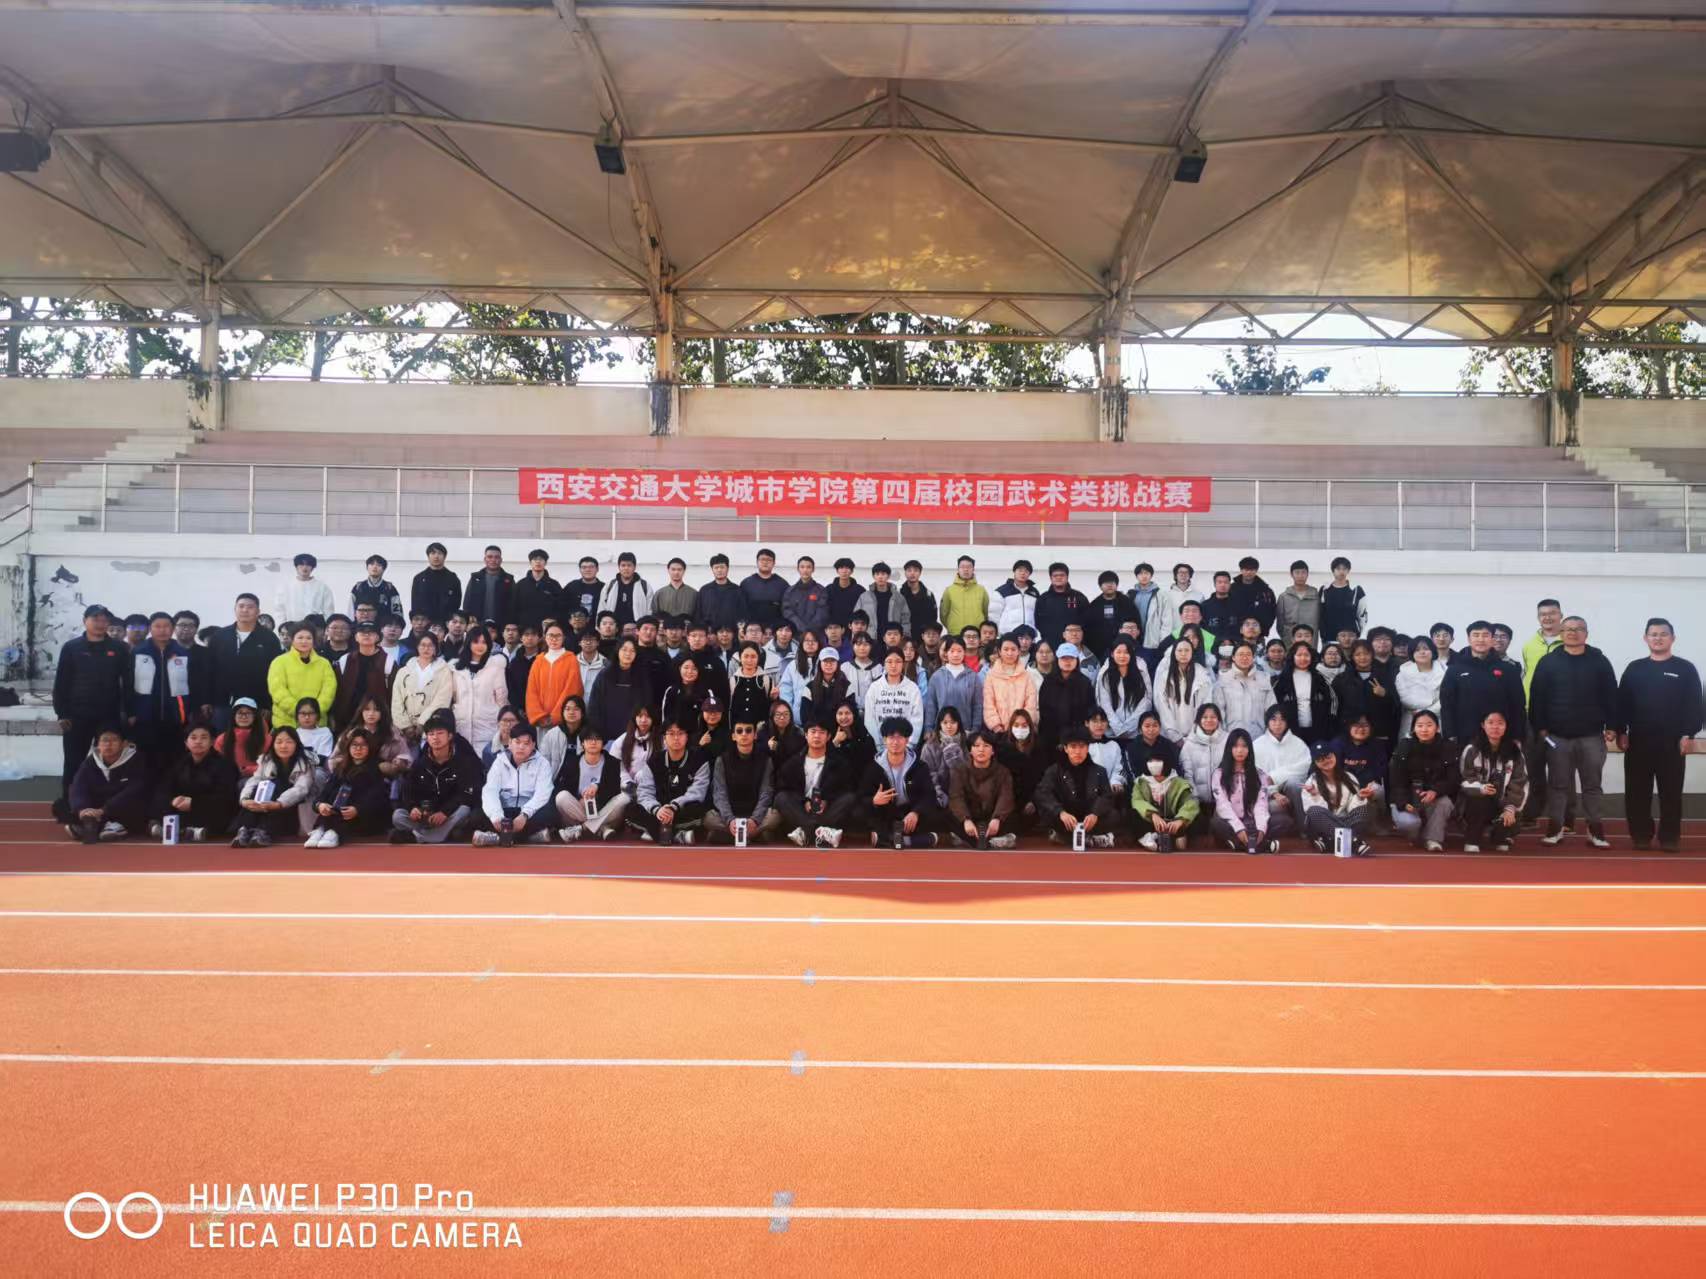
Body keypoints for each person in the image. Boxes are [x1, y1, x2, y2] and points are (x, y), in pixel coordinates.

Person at [1526, 615, 1618, 848]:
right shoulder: (1548, 662)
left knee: (1592, 786)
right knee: (1558, 786)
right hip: (1557, 737)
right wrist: (1540, 728)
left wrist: (1613, 726)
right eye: (1568, 629)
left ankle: (1595, 830)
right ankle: (1555, 828)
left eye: (1578, 629)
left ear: (1586, 634)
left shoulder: (1599, 661)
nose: (1573, 633)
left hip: (1592, 736)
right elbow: (1537, 697)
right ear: (1561, 633)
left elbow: (1611, 695)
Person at [1617, 617, 1703, 852]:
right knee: (1637, 793)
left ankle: (1669, 838)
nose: (1658, 638)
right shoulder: (1634, 668)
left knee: (1671, 793)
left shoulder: (1685, 668)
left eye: (1663, 634)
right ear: (1645, 638)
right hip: (1638, 741)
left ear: (1672, 638)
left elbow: (1695, 704)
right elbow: (1622, 703)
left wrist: (1688, 733)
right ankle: (1641, 836)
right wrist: (1621, 730)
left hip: (1672, 742)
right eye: (1653, 634)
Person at [53, 604, 133, 822]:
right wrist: (62, 714)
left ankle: (106, 808)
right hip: (77, 716)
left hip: (108, 715)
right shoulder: (72, 647)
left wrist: (129, 712)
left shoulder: (119, 648)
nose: (100, 623)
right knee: (74, 762)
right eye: (95, 619)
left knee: (110, 761)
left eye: (104, 619)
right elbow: (61, 683)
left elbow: (128, 683)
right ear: (85, 621)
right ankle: (71, 808)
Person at [391, 710, 481, 845]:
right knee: (398, 816)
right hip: (426, 815)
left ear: (450, 736)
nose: (435, 737)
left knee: (464, 810)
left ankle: (420, 837)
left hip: (448, 814)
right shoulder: (420, 763)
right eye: (431, 734)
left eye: (440, 733)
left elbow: (466, 794)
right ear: (427, 738)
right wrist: (413, 808)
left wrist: (445, 812)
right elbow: (408, 790)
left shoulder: (462, 761)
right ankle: (437, 834)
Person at [198, 592, 281, 732]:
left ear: (258, 611)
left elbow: (275, 675)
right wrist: (206, 700)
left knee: (254, 741)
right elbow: (209, 670)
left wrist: (267, 704)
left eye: (250, 607)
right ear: (235, 609)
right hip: (222, 702)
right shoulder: (220, 636)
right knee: (222, 740)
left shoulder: (269, 638)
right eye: (241, 606)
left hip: (256, 703)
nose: (245, 610)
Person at [1440, 620, 1527, 745]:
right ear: (1469, 639)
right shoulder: (1455, 669)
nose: (1481, 639)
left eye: (1485, 635)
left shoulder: (1508, 669)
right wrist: (1450, 735)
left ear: (1492, 639)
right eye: (1476, 635)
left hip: (1500, 736)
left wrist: (1517, 736)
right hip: (1465, 735)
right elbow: (1447, 705)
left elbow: (1518, 705)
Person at [148, 722, 237, 842]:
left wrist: (194, 803)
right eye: (193, 738)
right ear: (186, 743)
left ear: (212, 742)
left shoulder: (224, 765)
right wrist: (173, 800)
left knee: (219, 811)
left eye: (204, 737)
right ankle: (181, 830)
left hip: (207, 809)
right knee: (158, 802)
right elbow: (164, 788)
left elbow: (226, 796)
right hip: (182, 808)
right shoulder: (179, 763)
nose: (198, 741)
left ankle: (184, 831)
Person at [863, 716, 942, 849]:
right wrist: (874, 800)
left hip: (909, 814)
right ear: (884, 740)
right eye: (891, 737)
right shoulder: (873, 767)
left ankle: (890, 840)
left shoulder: (919, 766)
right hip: (886, 813)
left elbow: (929, 794)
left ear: (907, 740)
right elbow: (862, 796)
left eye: (900, 737)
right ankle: (913, 840)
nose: (895, 742)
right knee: (861, 813)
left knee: (938, 813)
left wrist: (916, 812)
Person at [471, 722, 555, 846]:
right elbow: (490, 791)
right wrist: (496, 816)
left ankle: (498, 838)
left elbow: (542, 793)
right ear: (510, 743)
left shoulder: (542, 764)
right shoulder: (500, 762)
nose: (521, 747)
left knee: (550, 813)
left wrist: (525, 814)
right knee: (476, 815)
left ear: (533, 745)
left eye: (526, 743)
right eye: (517, 742)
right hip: (505, 811)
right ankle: (529, 837)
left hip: (528, 813)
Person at [305, 727, 392, 847]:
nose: (358, 749)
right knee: (334, 792)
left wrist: (358, 809)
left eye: (363, 745)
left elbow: (376, 797)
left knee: (352, 787)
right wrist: (320, 805)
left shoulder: (376, 768)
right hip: (339, 814)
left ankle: (333, 832)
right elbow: (325, 793)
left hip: (364, 817)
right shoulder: (340, 767)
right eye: (354, 745)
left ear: (370, 747)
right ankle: (321, 829)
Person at [128, 611, 193, 768]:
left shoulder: (182, 652)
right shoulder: (138, 652)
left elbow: (192, 684)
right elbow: (129, 685)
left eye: (166, 626)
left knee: (174, 759)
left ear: (172, 629)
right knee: (146, 760)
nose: (162, 630)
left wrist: (190, 711)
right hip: (145, 716)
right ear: (150, 629)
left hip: (176, 716)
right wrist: (131, 712)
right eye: (157, 626)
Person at [64, 723, 149, 843]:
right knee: (71, 808)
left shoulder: (136, 760)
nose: (108, 744)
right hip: (99, 807)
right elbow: (78, 786)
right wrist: (82, 809)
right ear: (98, 745)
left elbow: (135, 789)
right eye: (104, 740)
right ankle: (90, 825)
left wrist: (105, 809)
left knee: (137, 803)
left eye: (114, 740)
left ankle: (112, 826)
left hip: (122, 806)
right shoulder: (90, 762)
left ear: (124, 744)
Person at [233, 725, 317, 847]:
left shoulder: (306, 762)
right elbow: (255, 779)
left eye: (289, 742)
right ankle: (245, 829)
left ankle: (262, 830)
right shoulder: (266, 759)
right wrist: (245, 800)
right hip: (265, 804)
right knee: (260, 786)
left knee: (275, 784)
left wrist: (278, 804)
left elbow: (301, 789)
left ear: (297, 744)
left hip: (290, 807)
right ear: (273, 744)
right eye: (279, 742)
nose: (283, 746)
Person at [630, 719, 711, 845]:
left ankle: (656, 832)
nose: (676, 738)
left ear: (687, 737)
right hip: (658, 810)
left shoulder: (699, 761)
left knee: (699, 809)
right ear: (664, 738)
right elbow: (645, 792)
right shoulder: (654, 761)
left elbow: (697, 792)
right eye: (671, 734)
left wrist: (673, 807)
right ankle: (677, 835)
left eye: (680, 733)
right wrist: (657, 810)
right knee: (630, 809)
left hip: (681, 810)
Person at [1457, 710, 1528, 853]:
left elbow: (1520, 783)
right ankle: (1472, 839)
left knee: (1512, 818)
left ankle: (1500, 837)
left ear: (1506, 726)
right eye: (1490, 723)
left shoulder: (1515, 752)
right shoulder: (1472, 750)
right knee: (1477, 800)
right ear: (1483, 725)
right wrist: (1480, 788)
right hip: (1476, 801)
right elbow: (1465, 778)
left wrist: (1510, 807)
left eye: (1500, 723)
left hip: (1502, 802)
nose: (1495, 727)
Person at [1033, 727, 1116, 848]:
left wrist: (1095, 813)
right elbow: (1042, 793)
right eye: (1073, 746)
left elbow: (1107, 796)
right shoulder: (1054, 770)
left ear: (1088, 748)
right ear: (1066, 749)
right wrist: (1060, 812)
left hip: (1089, 817)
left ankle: (1069, 838)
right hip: (1066, 817)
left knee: (1113, 816)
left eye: (1082, 746)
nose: (1078, 751)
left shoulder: (1099, 771)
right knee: (1047, 814)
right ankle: (1088, 838)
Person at [1211, 729, 1290, 854]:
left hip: (1252, 821)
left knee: (1284, 821)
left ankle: (1240, 844)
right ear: (1229, 749)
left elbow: (1261, 804)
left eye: (1244, 746)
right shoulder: (1219, 774)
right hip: (1232, 821)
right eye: (1235, 746)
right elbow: (1223, 805)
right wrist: (1238, 828)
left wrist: (1261, 829)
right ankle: (1262, 845)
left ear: (1249, 749)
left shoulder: (1260, 774)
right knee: (1216, 822)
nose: (1240, 750)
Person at [1388, 710, 1459, 850]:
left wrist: (1436, 791)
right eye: (1419, 725)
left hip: (1434, 797)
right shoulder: (1404, 746)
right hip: (1408, 797)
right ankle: (1415, 835)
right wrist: (1403, 802)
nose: (1424, 729)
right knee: (1409, 823)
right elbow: (1396, 781)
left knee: (1444, 803)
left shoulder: (1448, 747)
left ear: (1437, 728)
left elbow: (1453, 779)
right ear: (1413, 728)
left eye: (1429, 725)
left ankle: (1433, 839)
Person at [705, 716, 779, 845]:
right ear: (733, 736)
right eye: (739, 731)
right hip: (730, 814)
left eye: (748, 730)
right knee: (708, 818)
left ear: (755, 735)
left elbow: (766, 792)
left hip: (756, 814)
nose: (744, 734)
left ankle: (734, 836)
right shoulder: (722, 760)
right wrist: (730, 820)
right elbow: (719, 793)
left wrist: (755, 820)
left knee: (775, 815)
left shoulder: (766, 760)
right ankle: (752, 836)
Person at [554, 723, 627, 842]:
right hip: (579, 810)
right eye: (589, 739)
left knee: (624, 798)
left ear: (603, 743)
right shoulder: (572, 763)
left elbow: (615, 790)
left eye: (597, 739)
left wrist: (597, 788)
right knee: (561, 797)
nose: (593, 742)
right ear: (582, 743)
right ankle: (601, 829)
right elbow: (562, 787)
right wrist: (580, 799)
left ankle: (582, 828)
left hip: (603, 810)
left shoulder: (613, 763)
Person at [1300, 742, 1371, 856]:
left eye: (1329, 757)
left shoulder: (1349, 777)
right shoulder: (1311, 782)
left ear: (1335, 756)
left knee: (1363, 809)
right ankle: (1354, 842)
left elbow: (1352, 809)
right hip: (1323, 826)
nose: (1326, 761)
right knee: (1314, 811)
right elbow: (1312, 812)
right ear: (1315, 763)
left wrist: (1359, 797)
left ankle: (1330, 843)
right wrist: (1315, 795)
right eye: (1321, 759)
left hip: (1345, 821)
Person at [267, 623, 337, 732]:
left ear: (314, 640)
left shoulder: (324, 663)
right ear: (292, 639)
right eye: (300, 638)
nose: (304, 641)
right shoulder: (279, 662)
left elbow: (329, 690)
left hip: (317, 724)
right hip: (286, 724)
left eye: (308, 638)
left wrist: (314, 711)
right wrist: (299, 711)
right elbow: (277, 690)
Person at [391, 630, 453, 746]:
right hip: (405, 731)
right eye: (423, 645)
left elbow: (442, 700)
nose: (426, 649)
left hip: (432, 726)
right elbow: (396, 700)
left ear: (436, 648)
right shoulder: (404, 671)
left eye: (430, 645)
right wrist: (406, 726)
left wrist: (422, 723)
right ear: (417, 647)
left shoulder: (444, 671)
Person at [1270, 641, 1337, 747]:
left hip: (1318, 730)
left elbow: (1333, 699)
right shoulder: (1283, 678)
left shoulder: (1319, 677)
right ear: (1293, 657)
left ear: (1311, 657)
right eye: (1299, 655)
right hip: (1291, 730)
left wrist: (1330, 720)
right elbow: (1273, 701)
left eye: (1306, 655)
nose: (1303, 658)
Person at [331, 695, 410, 783]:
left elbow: (405, 755)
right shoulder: (350, 733)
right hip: (354, 776)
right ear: (361, 711)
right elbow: (334, 759)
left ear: (382, 712)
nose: (371, 713)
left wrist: (399, 762)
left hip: (383, 778)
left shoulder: (393, 733)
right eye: (367, 709)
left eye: (376, 710)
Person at [1130, 750, 1199, 852]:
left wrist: (1181, 819)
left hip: (1173, 820)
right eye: (1151, 761)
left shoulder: (1180, 783)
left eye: (1158, 761)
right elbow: (1137, 801)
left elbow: (1191, 803)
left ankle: (1177, 835)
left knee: (1195, 817)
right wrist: (1152, 814)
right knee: (1133, 813)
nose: (1153, 765)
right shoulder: (1141, 782)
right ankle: (1149, 836)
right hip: (1151, 822)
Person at [1333, 639, 1398, 745]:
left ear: (1372, 655)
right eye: (1358, 654)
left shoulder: (1384, 677)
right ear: (1352, 657)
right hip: (1349, 731)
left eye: (1366, 653)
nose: (1362, 657)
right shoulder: (1342, 679)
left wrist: (1385, 694)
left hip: (1378, 732)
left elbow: (1396, 704)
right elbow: (1335, 706)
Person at [333, 620, 395, 731]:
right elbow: (338, 691)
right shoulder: (345, 660)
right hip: (348, 718)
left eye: (371, 632)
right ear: (356, 637)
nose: (366, 635)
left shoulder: (388, 661)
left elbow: (393, 693)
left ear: (378, 637)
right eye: (362, 632)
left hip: (377, 719)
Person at [1254, 706, 1312, 822]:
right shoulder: (1257, 744)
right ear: (1267, 722)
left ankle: (1304, 827)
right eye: (1273, 719)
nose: (1278, 724)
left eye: (1282, 720)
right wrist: (1274, 793)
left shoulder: (1298, 743)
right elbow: (1255, 775)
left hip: (1292, 792)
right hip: (1268, 793)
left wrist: (1274, 777)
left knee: (1294, 784)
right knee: (1274, 807)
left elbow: (1304, 767)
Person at [524, 622, 585, 731]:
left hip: (564, 720)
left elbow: (572, 689)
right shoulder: (538, 661)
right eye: (550, 635)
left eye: (558, 636)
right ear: (545, 637)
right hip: (541, 721)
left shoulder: (571, 659)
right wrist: (538, 716)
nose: (554, 639)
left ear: (563, 638)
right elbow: (531, 691)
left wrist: (556, 716)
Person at [1037, 641, 1095, 754]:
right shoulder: (1048, 682)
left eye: (1071, 658)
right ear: (1057, 660)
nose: (1067, 662)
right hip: (1051, 738)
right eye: (1064, 658)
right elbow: (1044, 711)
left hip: (1077, 739)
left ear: (1077, 660)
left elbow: (1088, 711)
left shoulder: (1084, 683)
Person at [1178, 703, 1228, 830]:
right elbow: (1187, 775)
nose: (1209, 720)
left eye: (1213, 717)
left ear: (1219, 719)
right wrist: (1194, 799)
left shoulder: (1227, 740)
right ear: (1198, 720)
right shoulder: (1189, 743)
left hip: (1223, 800)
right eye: (1205, 717)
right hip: (1198, 802)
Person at [1211, 641, 1272, 740]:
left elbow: (1271, 709)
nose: (1244, 658)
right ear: (1233, 657)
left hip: (1259, 737)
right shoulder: (1223, 680)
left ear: (1253, 657)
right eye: (1241, 654)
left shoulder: (1263, 679)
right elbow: (1218, 712)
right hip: (1231, 737)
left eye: (1248, 654)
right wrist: (1224, 737)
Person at [1155, 638, 1212, 742]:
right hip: (1170, 737)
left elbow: (1207, 704)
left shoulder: (1202, 675)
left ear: (1192, 652)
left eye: (1187, 650)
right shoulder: (1165, 676)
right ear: (1174, 653)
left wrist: (1196, 733)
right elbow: (1162, 707)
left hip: (1197, 736)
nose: (1183, 654)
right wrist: (1175, 737)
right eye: (1180, 650)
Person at [865, 648, 925, 747]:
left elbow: (917, 719)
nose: (893, 665)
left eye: (898, 661)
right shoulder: (874, 688)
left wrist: (909, 744)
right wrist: (879, 743)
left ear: (903, 664)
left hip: (906, 746)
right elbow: (869, 718)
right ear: (884, 664)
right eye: (889, 662)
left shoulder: (912, 688)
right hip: (880, 745)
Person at [1396, 635, 1445, 741]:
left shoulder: (1445, 671)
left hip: (1438, 717)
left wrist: (1429, 711)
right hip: (1412, 718)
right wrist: (1421, 712)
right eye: (1417, 650)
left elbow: (1446, 697)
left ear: (1432, 651)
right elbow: (1404, 698)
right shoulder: (1403, 673)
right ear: (1412, 653)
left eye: (1426, 649)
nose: (1422, 652)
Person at [919, 706, 967, 806]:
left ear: (958, 723)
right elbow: (927, 773)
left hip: (963, 793)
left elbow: (970, 771)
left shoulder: (966, 743)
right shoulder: (930, 746)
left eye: (953, 722)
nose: (949, 726)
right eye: (945, 723)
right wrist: (939, 793)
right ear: (940, 724)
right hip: (938, 793)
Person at [274, 552, 335, 627]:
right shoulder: (285, 587)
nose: (304, 567)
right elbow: (279, 610)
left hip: (314, 628)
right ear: (296, 567)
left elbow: (328, 611)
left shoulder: (322, 587)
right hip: (291, 628)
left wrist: (325, 628)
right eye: (301, 564)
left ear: (312, 568)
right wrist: (282, 627)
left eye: (308, 565)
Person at [1319, 557, 1367, 642]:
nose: (1341, 571)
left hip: (1350, 638)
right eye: (1338, 569)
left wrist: (1359, 634)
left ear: (1348, 571)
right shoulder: (1325, 589)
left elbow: (1362, 615)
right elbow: (1321, 613)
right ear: (1333, 571)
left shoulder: (1356, 590)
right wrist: (1323, 633)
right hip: (1329, 637)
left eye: (1344, 569)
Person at [1227, 556, 1277, 638]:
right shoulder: (1231, 589)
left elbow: (1272, 612)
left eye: (1252, 569)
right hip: (1234, 635)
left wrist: (1263, 630)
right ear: (1241, 570)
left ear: (1256, 571)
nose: (1249, 572)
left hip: (1258, 635)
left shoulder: (1265, 591)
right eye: (1246, 569)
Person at [694, 553, 745, 635]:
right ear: (712, 569)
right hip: (710, 635)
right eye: (716, 567)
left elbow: (742, 615)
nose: (719, 570)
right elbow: (698, 615)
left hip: (731, 635)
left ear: (727, 568)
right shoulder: (705, 590)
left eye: (722, 567)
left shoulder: (737, 590)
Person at [940, 555, 989, 637]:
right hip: (955, 634)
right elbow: (943, 614)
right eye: (962, 567)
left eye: (969, 567)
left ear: (973, 569)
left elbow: (986, 612)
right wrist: (952, 626)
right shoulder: (949, 590)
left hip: (976, 634)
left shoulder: (981, 590)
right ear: (958, 569)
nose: (966, 569)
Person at [351, 554, 404, 626]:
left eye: (379, 565)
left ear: (384, 569)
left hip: (383, 627)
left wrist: (396, 625)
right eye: (372, 564)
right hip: (361, 628)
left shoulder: (389, 588)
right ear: (367, 567)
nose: (375, 567)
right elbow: (351, 611)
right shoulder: (358, 587)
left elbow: (397, 612)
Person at [1275, 560, 1321, 643]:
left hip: (1310, 638)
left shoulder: (1316, 596)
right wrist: (1285, 636)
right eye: (1297, 572)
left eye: (1303, 572)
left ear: (1307, 574)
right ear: (1291, 574)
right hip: (1289, 639)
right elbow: (1280, 622)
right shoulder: (1284, 597)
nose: (1300, 576)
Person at [653, 556, 699, 623]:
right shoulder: (659, 593)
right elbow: (654, 615)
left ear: (684, 571)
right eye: (673, 569)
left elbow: (697, 616)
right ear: (668, 570)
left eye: (679, 569)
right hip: (666, 628)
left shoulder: (694, 594)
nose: (676, 572)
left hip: (687, 628)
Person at [292, 697, 335, 765]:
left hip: (317, 768)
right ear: (297, 716)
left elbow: (322, 758)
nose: (307, 717)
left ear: (317, 715)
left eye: (311, 713)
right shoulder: (292, 734)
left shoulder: (325, 733)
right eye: (303, 713)